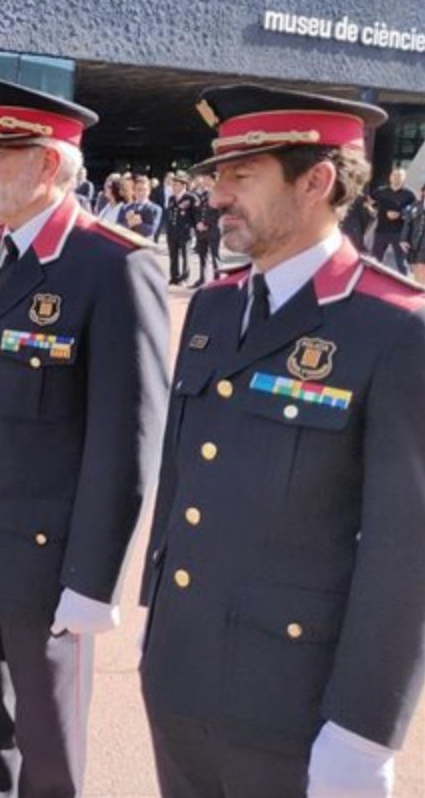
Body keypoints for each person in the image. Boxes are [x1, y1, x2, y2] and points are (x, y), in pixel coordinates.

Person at [140, 84, 425, 798]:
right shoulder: (212, 307)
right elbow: (184, 482)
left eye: (241, 175)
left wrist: (363, 729)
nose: (215, 197)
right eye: (217, 175)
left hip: (293, 697)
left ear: (316, 181)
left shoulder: (393, 329)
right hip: (180, 672)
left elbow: (407, 547)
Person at [0, 78, 169, 798]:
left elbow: (127, 436)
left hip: (43, 565)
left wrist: (92, 581)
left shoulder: (113, 265)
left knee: (49, 751)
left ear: (49, 165)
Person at [370, 167, 415, 274]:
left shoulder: (409, 195)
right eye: (394, 175)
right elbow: (369, 203)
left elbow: (414, 212)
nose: (396, 178)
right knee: (375, 261)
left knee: (402, 264)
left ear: (404, 178)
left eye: (399, 176)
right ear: (390, 177)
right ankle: (373, 286)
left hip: (399, 233)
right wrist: (373, 211)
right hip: (381, 231)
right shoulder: (380, 192)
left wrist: (400, 215)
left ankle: (405, 288)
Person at [166, 171, 198, 285]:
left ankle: (184, 277)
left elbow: (196, 215)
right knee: (173, 255)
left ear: (183, 185)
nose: (173, 187)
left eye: (176, 185)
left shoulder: (190, 198)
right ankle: (174, 276)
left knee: (185, 256)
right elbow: (170, 214)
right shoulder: (171, 199)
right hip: (173, 231)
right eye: (173, 185)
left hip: (185, 231)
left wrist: (195, 229)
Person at [191, 173, 222, 286]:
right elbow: (198, 210)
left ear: (215, 180)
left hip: (213, 229)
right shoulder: (204, 194)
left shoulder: (219, 194)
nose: (206, 181)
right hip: (202, 230)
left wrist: (206, 223)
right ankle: (202, 278)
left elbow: (219, 213)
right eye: (205, 179)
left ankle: (217, 279)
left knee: (215, 256)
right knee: (202, 254)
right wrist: (198, 222)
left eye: (208, 179)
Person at [125, 173, 161, 238]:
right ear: (134, 191)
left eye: (144, 190)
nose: (141, 193)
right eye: (138, 189)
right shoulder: (126, 207)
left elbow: (152, 230)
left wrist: (137, 223)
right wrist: (128, 223)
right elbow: (119, 227)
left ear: (149, 191)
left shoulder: (155, 209)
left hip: (145, 245)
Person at [402, 182, 425, 283]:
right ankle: (418, 289)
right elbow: (408, 224)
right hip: (415, 242)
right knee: (415, 267)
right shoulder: (415, 206)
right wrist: (403, 239)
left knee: (421, 267)